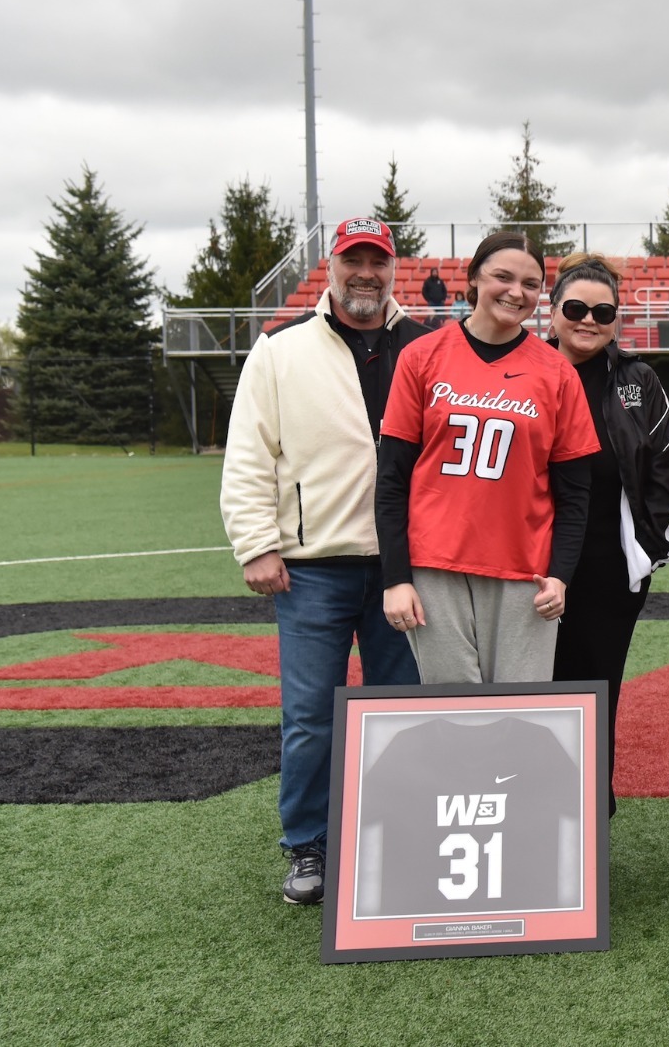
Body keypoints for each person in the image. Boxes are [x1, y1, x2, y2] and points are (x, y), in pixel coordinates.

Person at [220, 215, 432, 905]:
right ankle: (307, 842)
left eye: (377, 261)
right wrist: (256, 542)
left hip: (403, 566)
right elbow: (250, 454)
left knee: (400, 710)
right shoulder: (281, 350)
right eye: (353, 260)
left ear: (393, 267)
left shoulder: (427, 345)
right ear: (332, 267)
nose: (365, 273)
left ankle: (394, 831)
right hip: (313, 566)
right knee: (311, 714)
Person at [376, 231, 603, 684]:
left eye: (531, 283)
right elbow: (392, 479)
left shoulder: (557, 372)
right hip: (436, 567)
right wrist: (396, 578)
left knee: (520, 718)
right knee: (453, 717)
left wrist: (560, 576)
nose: (517, 292)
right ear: (474, 278)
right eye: (503, 276)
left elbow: (575, 492)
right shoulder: (421, 357)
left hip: (526, 574)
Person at [549, 253, 669, 814]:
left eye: (602, 311)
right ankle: (534, 812)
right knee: (539, 689)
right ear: (552, 311)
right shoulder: (525, 368)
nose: (588, 320)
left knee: (598, 689)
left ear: (618, 318)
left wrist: (648, 548)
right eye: (575, 307)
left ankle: (588, 812)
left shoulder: (638, 378)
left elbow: (667, 466)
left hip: (609, 563)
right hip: (534, 563)